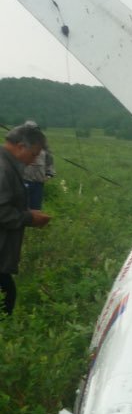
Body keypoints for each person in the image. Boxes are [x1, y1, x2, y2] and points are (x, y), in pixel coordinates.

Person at [0, 124, 52, 315]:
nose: (35, 160)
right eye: (34, 154)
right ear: (21, 146)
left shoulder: (6, 163)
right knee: (6, 296)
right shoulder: (3, 168)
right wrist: (29, 218)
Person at [20, 121, 54, 210]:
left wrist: (49, 174)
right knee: (21, 206)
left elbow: (49, 159)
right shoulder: (20, 142)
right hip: (23, 180)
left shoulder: (43, 143)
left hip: (38, 182)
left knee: (35, 208)